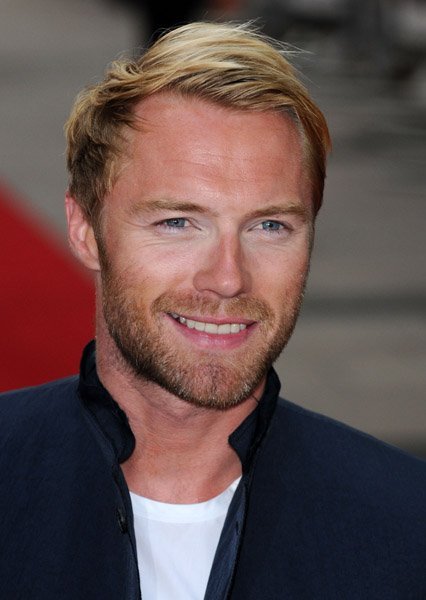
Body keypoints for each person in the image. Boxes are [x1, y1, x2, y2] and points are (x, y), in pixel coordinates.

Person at [0, 21, 425, 600]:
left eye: (269, 226)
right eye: (178, 222)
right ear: (85, 231)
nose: (228, 277)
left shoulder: (406, 524)